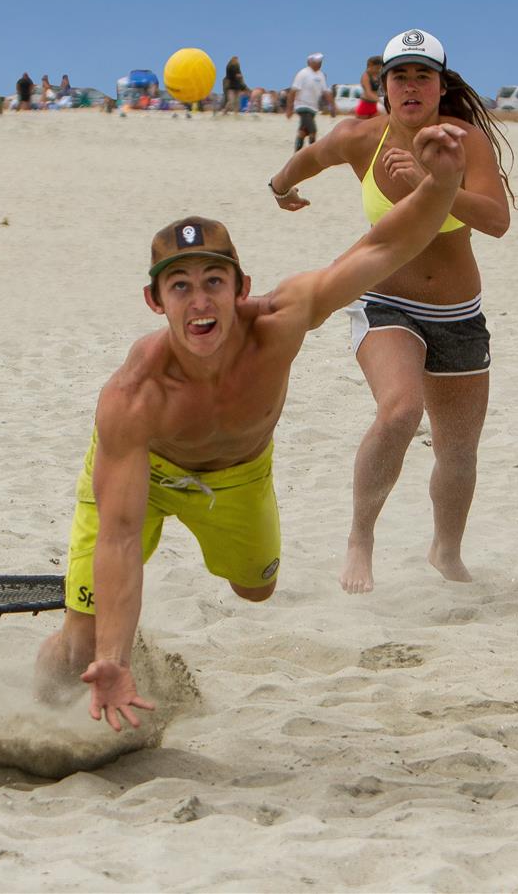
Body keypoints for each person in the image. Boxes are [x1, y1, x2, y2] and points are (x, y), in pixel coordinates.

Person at [34, 124, 469, 731]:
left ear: (241, 287)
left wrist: (443, 183)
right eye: (180, 287)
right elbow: (120, 536)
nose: (199, 302)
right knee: (83, 646)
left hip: (238, 476)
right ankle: (40, 703)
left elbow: (382, 249)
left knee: (256, 591)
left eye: (213, 282)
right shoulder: (134, 398)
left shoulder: (281, 321)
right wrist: (114, 655)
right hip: (146, 473)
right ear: (154, 301)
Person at [267, 29, 514, 593]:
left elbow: (498, 221)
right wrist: (281, 185)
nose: (409, 86)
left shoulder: (463, 142)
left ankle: (446, 552)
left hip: (458, 311)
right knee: (400, 411)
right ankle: (361, 538)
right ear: (381, 85)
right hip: (382, 299)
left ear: (440, 86)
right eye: (399, 76)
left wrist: (435, 186)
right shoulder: (362, 138)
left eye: (422, 75)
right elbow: (311, 155)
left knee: (457, 449)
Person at [286, 52, 332, 151]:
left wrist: (332, 106)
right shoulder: (303, 73)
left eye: (320, 62)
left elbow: (326, 92)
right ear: (310, 62)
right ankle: (312, 155)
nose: (319, 64)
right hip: (302, 106)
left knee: (303, 131)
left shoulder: (321, 75)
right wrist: (289, 108)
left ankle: (297, 154)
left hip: (313, 108)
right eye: (317, 62)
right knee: (313, 131)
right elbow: (293, 91)